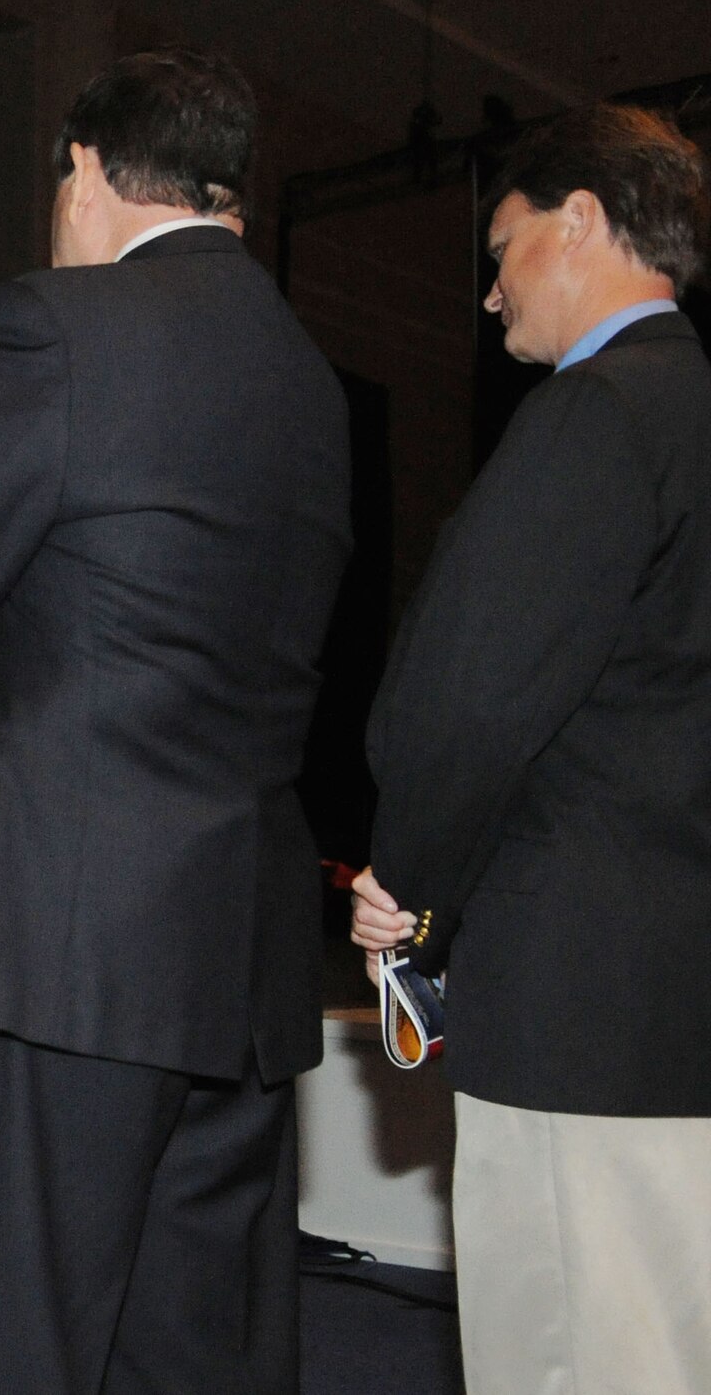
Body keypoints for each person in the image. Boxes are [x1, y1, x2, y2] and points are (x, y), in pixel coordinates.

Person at [0, 50, 352, 1395]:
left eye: (62, 176)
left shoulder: (51, 328)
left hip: (42, 949)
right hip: (230, 961)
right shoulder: (312, 389)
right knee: (193, 1361)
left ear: (96, 176)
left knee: (11, 1350)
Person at [351, 103, 710, 1395]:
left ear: (584, 222)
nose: (489, 292)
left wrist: (407, 888)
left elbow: (470, 698)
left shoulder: (596, 417)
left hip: (578, 1019)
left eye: (501, 248)